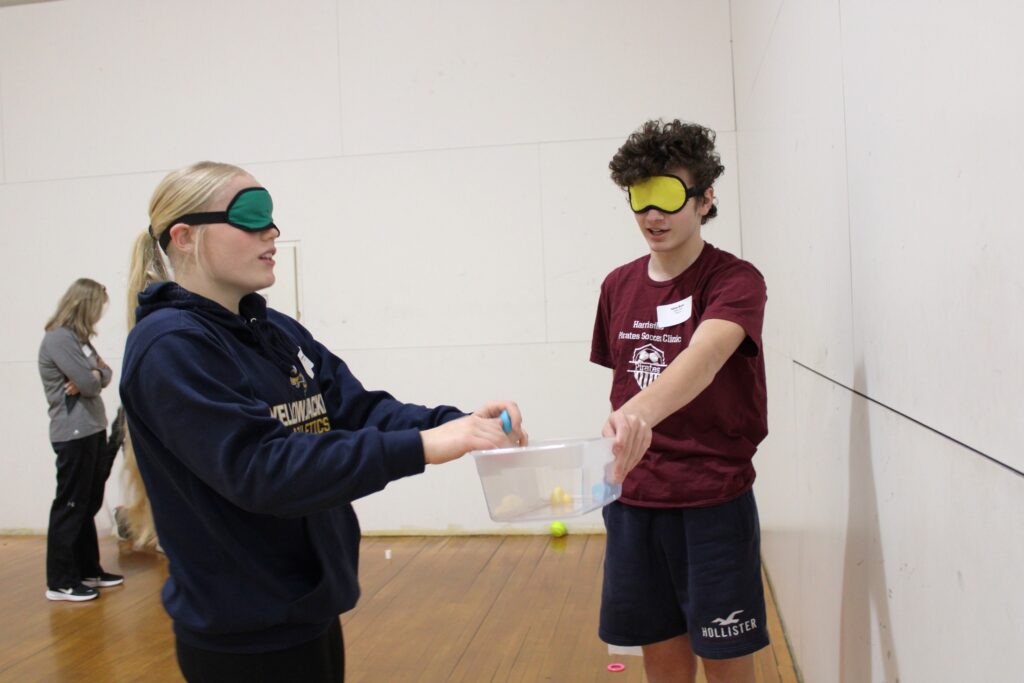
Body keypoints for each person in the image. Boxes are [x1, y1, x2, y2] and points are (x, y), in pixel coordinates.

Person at [120, 161, 558, 682]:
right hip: (243, 637)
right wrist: (422, 446)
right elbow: (263, 469)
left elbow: (356, 409)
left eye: (272, 218)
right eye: (250, 217)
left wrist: (460, 424)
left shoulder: (272, 330)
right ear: (185, 236)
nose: (272, 233)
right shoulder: (171, 347)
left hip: (307, 610)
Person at [591, 120, 770, 683]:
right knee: (662, 660)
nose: (653, 215)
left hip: (711, 502)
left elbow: (706, 354)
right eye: (640, 198)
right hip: (635, 501)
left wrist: (639, 413)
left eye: (668, 195)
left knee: (725, 665)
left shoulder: (736, 280)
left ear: (706, 198)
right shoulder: (617, 285)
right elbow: (623, 378)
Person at [39, 278, 126, 601]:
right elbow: (92, 384)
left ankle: (88, 570)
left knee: (87, 503)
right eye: (97, 308)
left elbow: (104, 375)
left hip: (91, 428)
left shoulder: (79, 339)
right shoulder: (59, 340)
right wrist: (91, 375)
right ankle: (60, 581)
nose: (99, 316)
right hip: (72, 433)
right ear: (83, 305)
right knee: (71, 504)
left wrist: (91, 374)